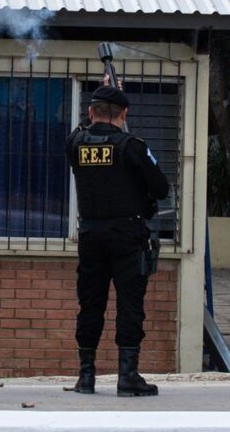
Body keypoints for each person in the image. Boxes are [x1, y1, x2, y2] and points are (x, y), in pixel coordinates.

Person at [65, 84, 170, 397]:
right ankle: (127, 376)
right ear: (124, 115)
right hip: (126, 235)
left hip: (90, 234)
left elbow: (83, 131)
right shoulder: (131, 146)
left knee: (90, 304)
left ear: (89, 112)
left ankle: (86, 377)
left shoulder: (76, 142)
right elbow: (161, 188)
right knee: (129, 304)